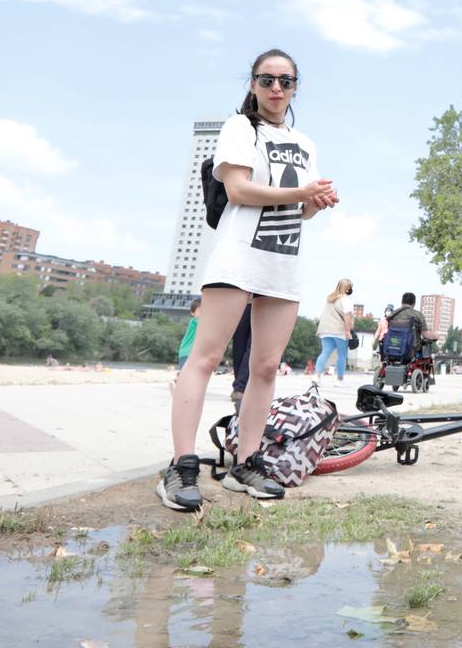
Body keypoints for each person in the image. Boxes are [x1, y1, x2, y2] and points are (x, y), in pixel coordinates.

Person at [159, 48, 338, 512]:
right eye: (267, 80)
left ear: (296, 87)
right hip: (239, 259)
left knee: (264, 368)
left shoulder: (305, 142)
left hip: (283, 263)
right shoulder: (239, 128)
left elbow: (297, 210)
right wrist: (301, 192)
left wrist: (314, 203)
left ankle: (247, 463)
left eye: (286, 81)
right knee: (206, 358)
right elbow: (238, 189)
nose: (277, 89)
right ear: (253, 84)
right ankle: (181, 466)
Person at [314, 278, 355, 382]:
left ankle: (316, 376)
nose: (351, 289)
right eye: (350, 287)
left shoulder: (330, 298)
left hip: (325, 329)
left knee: (325, 352)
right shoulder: (345, 299)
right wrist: (347, 331)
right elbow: (347, 317)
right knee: (342, 354)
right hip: (339, 330)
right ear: (346, 288)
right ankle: (339, 380)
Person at [381, 293, 433, 365]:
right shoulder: (418, 315)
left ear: (402, 302)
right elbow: (425, 334)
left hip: (391, 348)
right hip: (412, 350)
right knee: (426, 347)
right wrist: (436, 336)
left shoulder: (392, 314)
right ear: (414, 303)